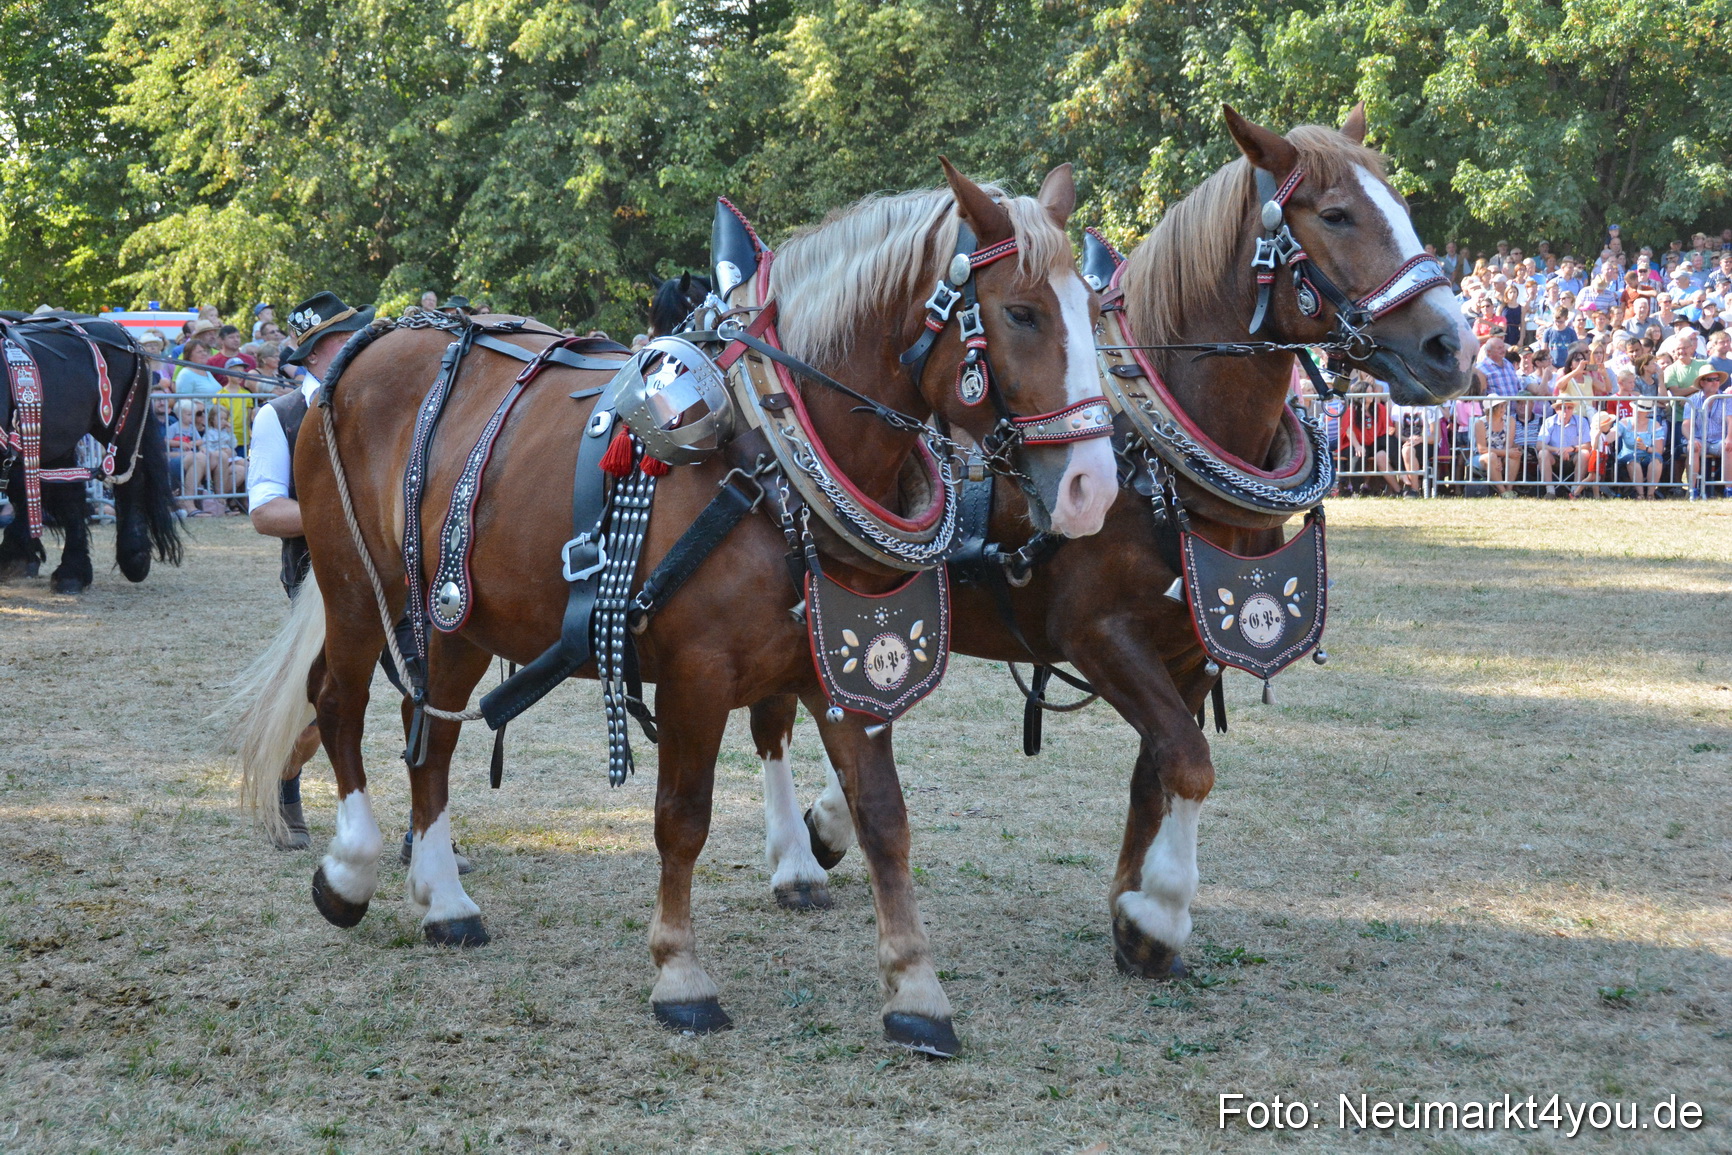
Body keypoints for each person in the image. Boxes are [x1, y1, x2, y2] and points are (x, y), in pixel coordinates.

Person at [248, 292, 376, 849]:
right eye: (353, 339)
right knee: (327, 697)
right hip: (319, 580)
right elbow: (264, 511)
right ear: (323, 353)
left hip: (395, 572)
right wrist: (350, 519)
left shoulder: (382, 407)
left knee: (423, 688)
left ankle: (426, 827)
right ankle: (284, 774)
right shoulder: (279, 418)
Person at [1537, 395, 1594, 498]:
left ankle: (1575, 492)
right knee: (1543, 453)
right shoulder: (1548, 422)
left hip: (1574, 457)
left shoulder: (1582, 421)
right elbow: (1539, 444)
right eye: (1562, 407)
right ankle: (1550, 492)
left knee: (1584, 453)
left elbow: (1588, 445)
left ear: (1573, 409)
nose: (1566, 410)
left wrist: (1572, 448)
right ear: (1556, 409)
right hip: (1554, 458)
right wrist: (1558, 450)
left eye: (1569, 407)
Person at [1617, 399, 1665, 499]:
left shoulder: (1655, 425)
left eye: (1641, 410)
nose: (1637, 412)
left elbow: (1659, 450)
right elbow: (1611, 436)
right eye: (1636, 409)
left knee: (1657, 459)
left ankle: (1650, 495)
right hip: (1628, 455)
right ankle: (1640, 495)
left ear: (1647, 412)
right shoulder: (1624, 422)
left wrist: (1645, 448)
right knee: (1632, 459)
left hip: (1647, 455)